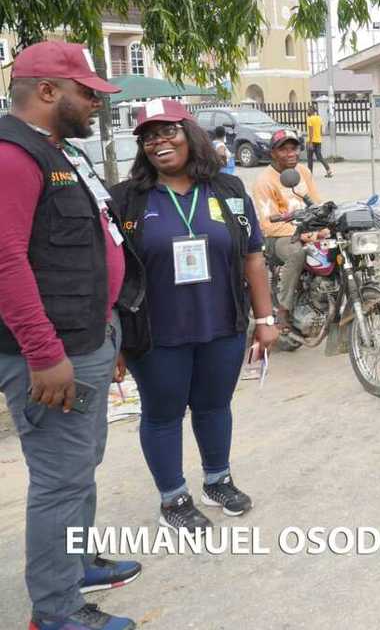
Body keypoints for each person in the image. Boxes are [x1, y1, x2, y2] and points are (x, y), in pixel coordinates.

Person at [0, 42, 143, 630]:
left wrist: (108, 332)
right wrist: (44, 353)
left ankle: (76, 562)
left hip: (87, 339)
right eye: (86, 92)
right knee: (60, 478)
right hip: (51, 354)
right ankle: (56, 611)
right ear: (47, 91)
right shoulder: (13, 157)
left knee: (82, 463)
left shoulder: (56, 150)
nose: (95, 103)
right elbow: (6, 261)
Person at [110, 100, 278, 531]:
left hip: (221, 324)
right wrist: (110, 340)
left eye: (168, 131)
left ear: (191, 135)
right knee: (163, 413)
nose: (158, 142)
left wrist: (265, 320)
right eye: (149, 137)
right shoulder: (125, 199)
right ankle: (173, 499)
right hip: (155, 333)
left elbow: (253, 257)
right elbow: (108, 273)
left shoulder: (228, 189)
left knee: (214, 405)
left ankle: (217, 480)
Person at [251, 129, 323, 330]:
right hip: (277, 236)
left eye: (294, 148)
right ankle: (284, 308)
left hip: (306, 231)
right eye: (284, 149)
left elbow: (316, 203)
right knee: (297, 253)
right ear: (273, 153)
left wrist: (324, 224)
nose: (291, 154)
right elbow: (268, 224)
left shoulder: (303, 172)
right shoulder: (264, 181)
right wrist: (302, 234)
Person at [305, 104, 333, 178]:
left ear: (311, 111)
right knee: (320, 157)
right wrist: (318, 137)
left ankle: (309, 174)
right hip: (318, 140)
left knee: (310, 158)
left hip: (311, 141)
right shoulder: (319, 118)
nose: (307, 111)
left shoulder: (309, 119)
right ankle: (328, 170)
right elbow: (321, 131)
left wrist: (310, 142)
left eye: (308, 110)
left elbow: (311, 131)